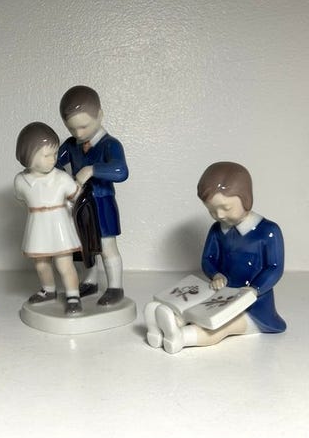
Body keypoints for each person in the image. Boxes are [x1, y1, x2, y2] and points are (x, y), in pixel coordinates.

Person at [145, 161, 286, 354]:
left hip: (253, 304)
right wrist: (216, 274)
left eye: (226, 207)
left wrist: (254, 289)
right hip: (220, 293)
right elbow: (208, 259)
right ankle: (165, 322)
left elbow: (274, 267)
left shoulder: (268, 231)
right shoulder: (217, 230)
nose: (219, 215)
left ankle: (181, 337)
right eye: (211, 210)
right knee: (195, 309)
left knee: (220, 326)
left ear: (246, 198)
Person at [57, 85, 129, 305]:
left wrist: (92, 170)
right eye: (72, 128)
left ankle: (115, 287)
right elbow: (54, 163)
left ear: (100, 115)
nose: (79, 134)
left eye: (84, 126)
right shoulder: (71, 145)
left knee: (107, 247)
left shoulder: (110, 145)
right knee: (83, 246)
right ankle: (90, 281)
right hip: (79, 204)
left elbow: (121, 171)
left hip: (101, 203)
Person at [15, 122, 82, 314]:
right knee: (41, 263)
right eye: (46, 155)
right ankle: (48, 289)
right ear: (28, 155)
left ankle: (73, 295)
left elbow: (77, 196)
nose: (53, 159)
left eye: (55, 153)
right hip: (37, 226)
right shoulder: (21, 181)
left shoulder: (61, 178)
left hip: (59, 225)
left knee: (64, 263)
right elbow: (22, 202)